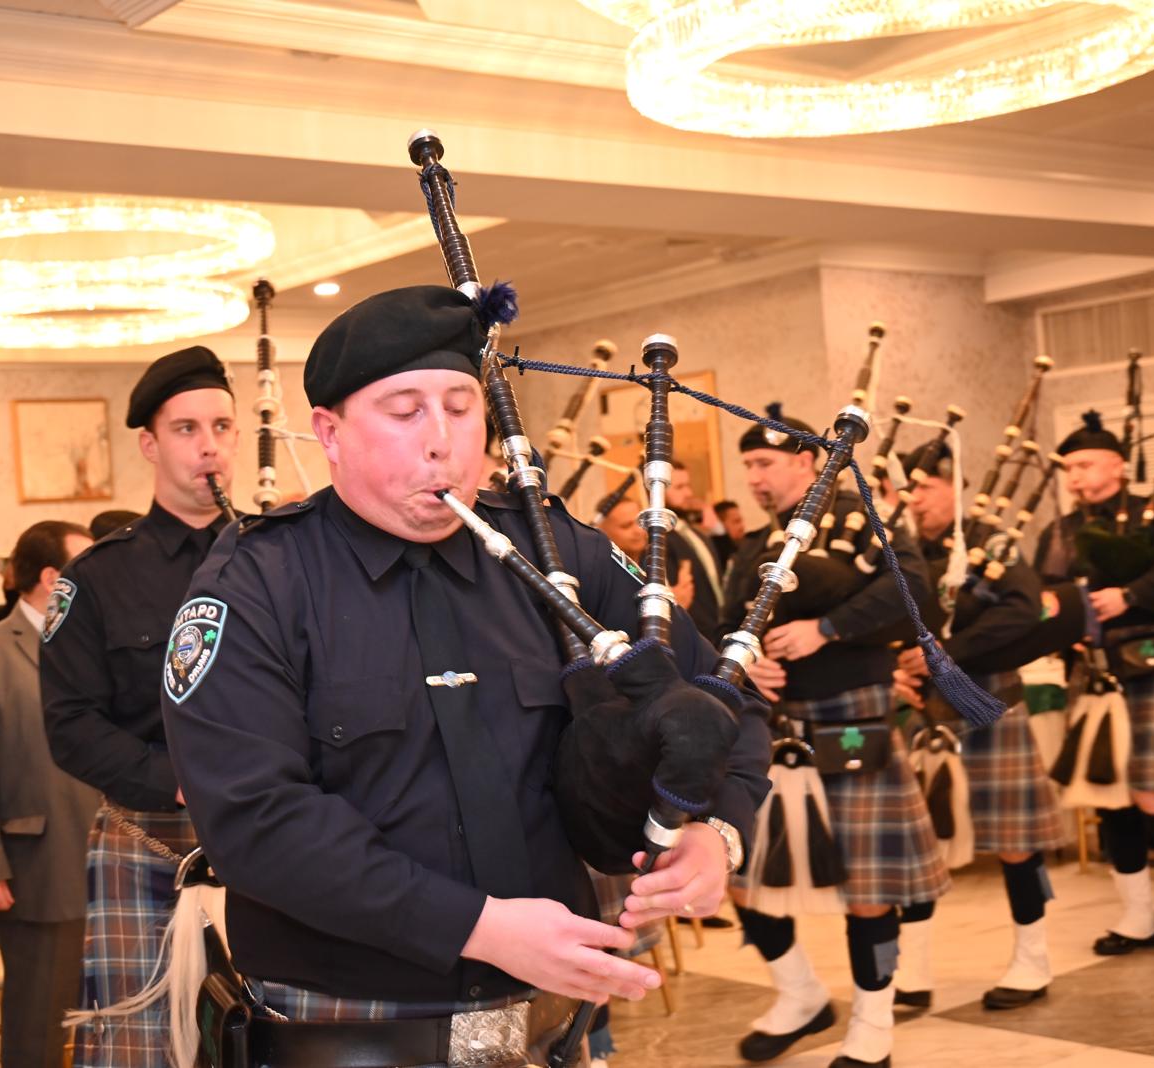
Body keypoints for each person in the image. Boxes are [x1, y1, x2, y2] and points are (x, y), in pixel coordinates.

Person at [163, 285, 770, 1065]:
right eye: (405, 411)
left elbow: (719, 697)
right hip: (350, 1027)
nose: (442, 442)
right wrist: (479, 928)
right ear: (330, 433)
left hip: (552, 1025)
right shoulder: (256, 583)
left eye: (461, 407)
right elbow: (257, 820)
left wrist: (720, 832)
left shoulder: (559, 555)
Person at [41, 344, 242, 1066]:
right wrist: (180, 780)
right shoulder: (96, 577)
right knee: (141, 1047)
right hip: (149, 836)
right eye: (186, 429)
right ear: (150, 446)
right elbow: (69, 726)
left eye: (221, 426)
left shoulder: (281, 558)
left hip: (272, 829)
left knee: (269, 1034)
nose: (209, 446)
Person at [727, 408, 944, 1068]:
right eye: (748, 466)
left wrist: (828, 628)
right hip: (773, 729)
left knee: (868, 887)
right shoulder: (752, 546)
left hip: (853, 720)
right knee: (743, 877)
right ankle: (801, 995)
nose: (754, 478)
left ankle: (874, 1022)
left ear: (806, 461)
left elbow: (915, 592)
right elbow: (720, 623)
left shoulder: (859, 518)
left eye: (765, 464)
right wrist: (744, 659)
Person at [891, 439, 1067, 1011]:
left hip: (988, 703)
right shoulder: (903, 550)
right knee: (920, 843)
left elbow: (1024, 607)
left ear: (956, 487)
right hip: (926, 714)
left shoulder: (991, 543)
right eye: (909, 489)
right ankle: (911, 972)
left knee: (1016, 841)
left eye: (926, 488)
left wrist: (949, 651)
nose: (916, 499)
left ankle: (1033, 959)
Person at [1035, 410, 1154, 955]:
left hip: (1149, 663)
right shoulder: (1060, 531)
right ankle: (1138, 915)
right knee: (1109, 796)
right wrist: (1062, 629)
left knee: (1152, 790)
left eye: (1086, 464)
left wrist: (1130, 596)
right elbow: (1045, 594)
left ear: (1118, 465)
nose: (1075, 476)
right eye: (1069, 468)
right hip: (1092, 672)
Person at [0, 520, 99, 1068]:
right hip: (40, 864)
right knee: (39, 1021)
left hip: (117, 860)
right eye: (88, 565)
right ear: (52, 578)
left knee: (117, 1018)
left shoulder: (100, 645)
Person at [599, 497, 697, 625]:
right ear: (603, 531)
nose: (638, 531)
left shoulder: (656, 560)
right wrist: (671, 609)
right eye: (626, 526)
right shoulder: (604, 574)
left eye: (640, 523)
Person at [665, 466, 726, 641]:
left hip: (718, 632)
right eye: (679, 487)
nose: (689, 493)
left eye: (688, 486)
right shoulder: (660, 540)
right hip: (695, 636)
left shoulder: (695, 532)